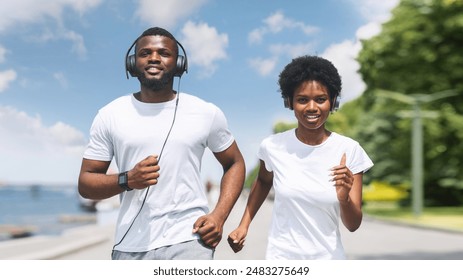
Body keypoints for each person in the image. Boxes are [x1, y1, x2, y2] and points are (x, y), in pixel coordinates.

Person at [78, 27, 245, 260]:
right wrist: (128, 179)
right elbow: (86, 184)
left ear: (178, 64)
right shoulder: (109, 115)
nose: (154, 58)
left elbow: (235, 163)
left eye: (163, 53)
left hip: (189, 239)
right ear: (132, 63)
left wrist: (219, 216)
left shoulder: (206, 113)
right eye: (145, 53)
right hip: (129, 245)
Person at [227, 55, 373, 260]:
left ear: (333, 102)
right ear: (290, 102)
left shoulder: (350, 150)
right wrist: (244, 225)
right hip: (282, 258)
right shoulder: (272, 147)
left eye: (321, 99)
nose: (312, 107)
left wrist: (344, 197)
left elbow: (353, 225)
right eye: (303, 99)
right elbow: (262, 181)